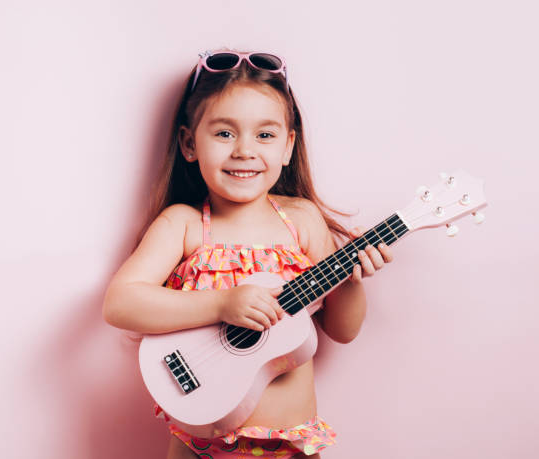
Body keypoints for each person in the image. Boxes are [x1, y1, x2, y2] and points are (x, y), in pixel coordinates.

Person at [102, 48, 394, 458]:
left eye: (265, 135)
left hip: (289, 444)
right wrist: (223, 304)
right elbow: (121, 303)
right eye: (224, 133)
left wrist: (352, 279)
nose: (244, 150)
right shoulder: (183, 224)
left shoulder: (301, 220)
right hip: (200, 444)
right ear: (189, 143)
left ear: (288, 147)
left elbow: (342, 331)